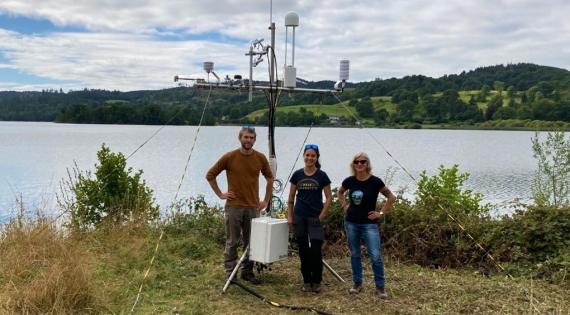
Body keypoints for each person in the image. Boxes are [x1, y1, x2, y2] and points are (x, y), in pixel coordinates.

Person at [206, 126, 274, 285]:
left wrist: (265, 200)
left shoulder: (260, 158)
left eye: (251, 138)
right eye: (245, 137)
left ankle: (247, 272)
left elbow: (270, 178)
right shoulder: (229, 157)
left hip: (252, 207)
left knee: (250, 242)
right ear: (240, 138)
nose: (248, 140)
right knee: (232, 241)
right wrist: (221, 194)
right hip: (234, 207)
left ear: (255, 139)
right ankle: (231, 273)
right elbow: (210, 175)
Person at [338, 152, 396, 298]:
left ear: (367, 164)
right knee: (355, 254)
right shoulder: (349, 181)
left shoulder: (375, 182)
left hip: (369, 224)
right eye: (357, 162)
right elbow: (340, 192)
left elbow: (391, 197)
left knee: (375, 256)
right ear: (353, 164)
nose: (360, 164)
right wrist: (345, 206)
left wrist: (381, 213)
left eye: (363, 162)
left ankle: (380, 287)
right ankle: (357, 284)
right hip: (351, 223)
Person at [287, 144, 332, 293]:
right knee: (303, 250)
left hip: (315, 219)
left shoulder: (322, 176)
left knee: (316, 251)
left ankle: (317, 281)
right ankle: (307, 281)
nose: (309, 158)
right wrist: (290, 216)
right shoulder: (297, 175)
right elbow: (291, 198)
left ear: (317, 158)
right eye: (307, 155)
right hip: (299, 217)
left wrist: (321, 216)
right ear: (304, 156)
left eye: (313, 155)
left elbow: (329, 197)